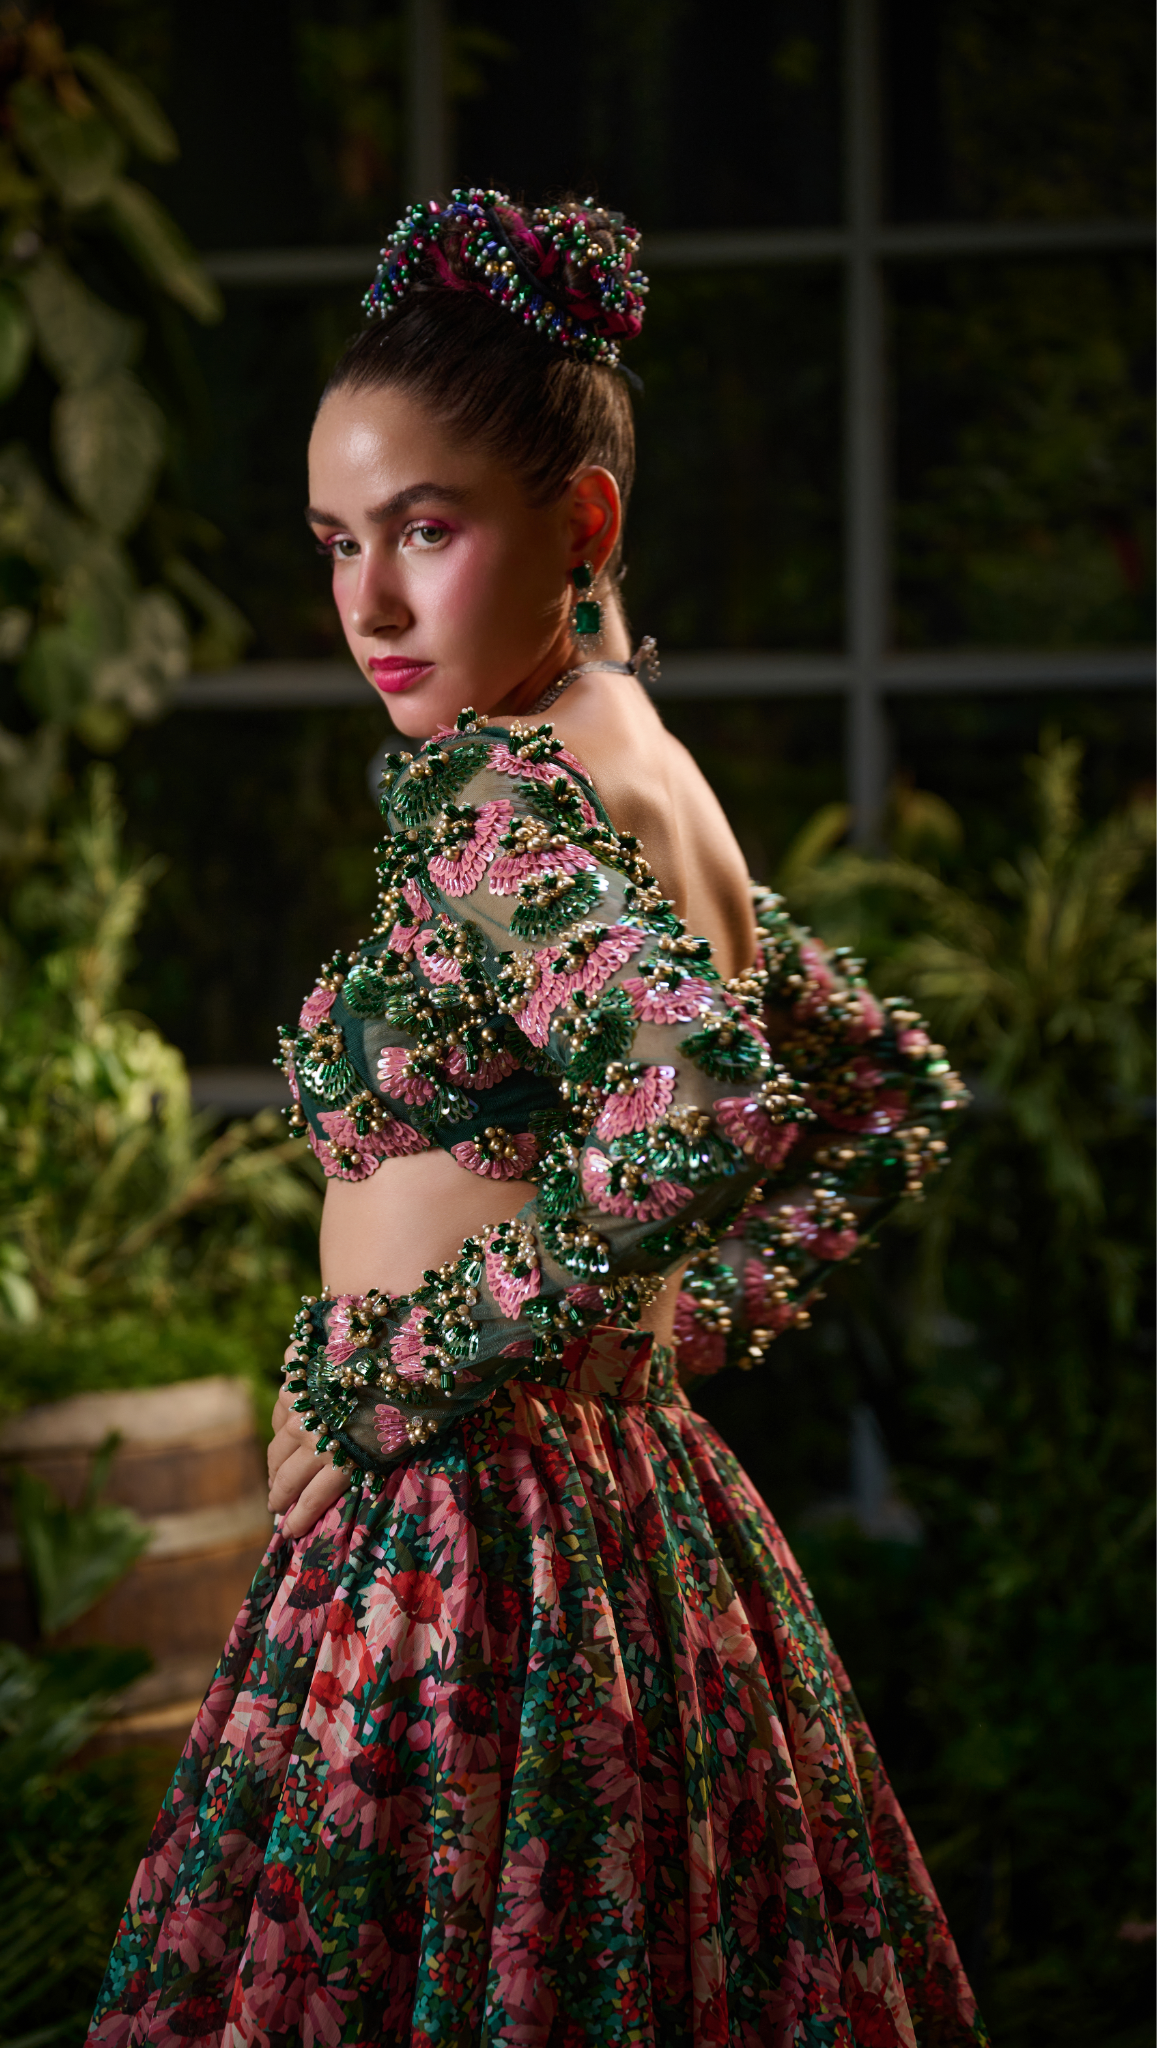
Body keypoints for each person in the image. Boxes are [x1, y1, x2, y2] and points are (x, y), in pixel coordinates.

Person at [88, 190, 987, 2048]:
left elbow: (706, 1112)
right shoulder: (650, 777)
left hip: (468, 1529)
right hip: (611, 1505)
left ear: (580, 523)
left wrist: (386, 1370)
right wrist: (663, 1337)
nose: (369, 603)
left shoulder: (502, 790)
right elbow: (883, 1098)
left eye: (428, 529)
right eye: (338, 541)